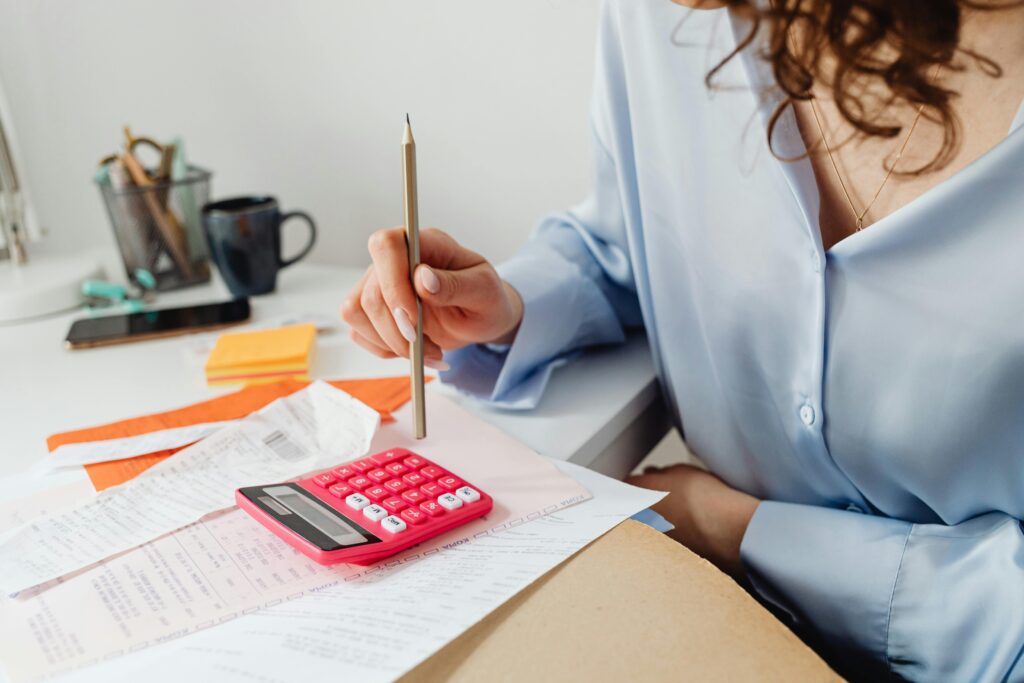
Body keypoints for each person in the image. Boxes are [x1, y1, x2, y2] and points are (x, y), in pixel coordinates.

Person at [342, 0, 1024, 678]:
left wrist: (743, 531)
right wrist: (512, 306)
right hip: (711, 609)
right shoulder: (661, 19)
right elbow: (630, 239)